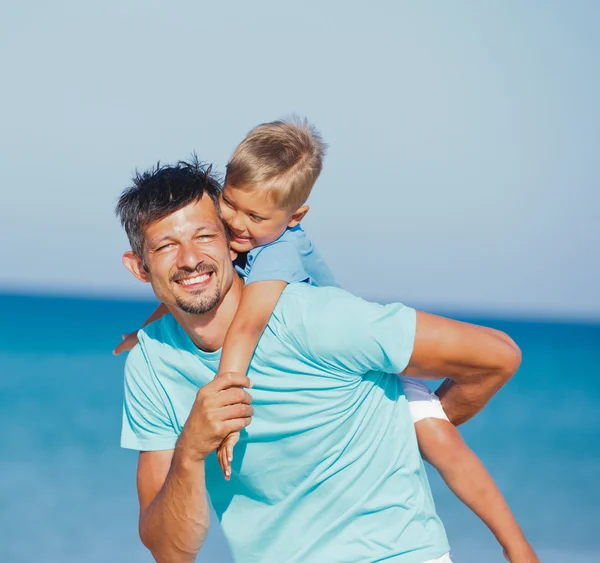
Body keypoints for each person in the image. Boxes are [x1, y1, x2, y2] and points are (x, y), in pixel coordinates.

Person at [116, 119, 538, 562]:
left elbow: (498, 357)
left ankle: (518, 548)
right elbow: (169, 553)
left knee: (438, 439)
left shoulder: (314, 317)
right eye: (166, 246)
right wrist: (189, 450)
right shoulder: (151, 363)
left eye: (205, 235)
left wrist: (409, 425)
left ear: (227, 244)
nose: (190, 257)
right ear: (140, 267)